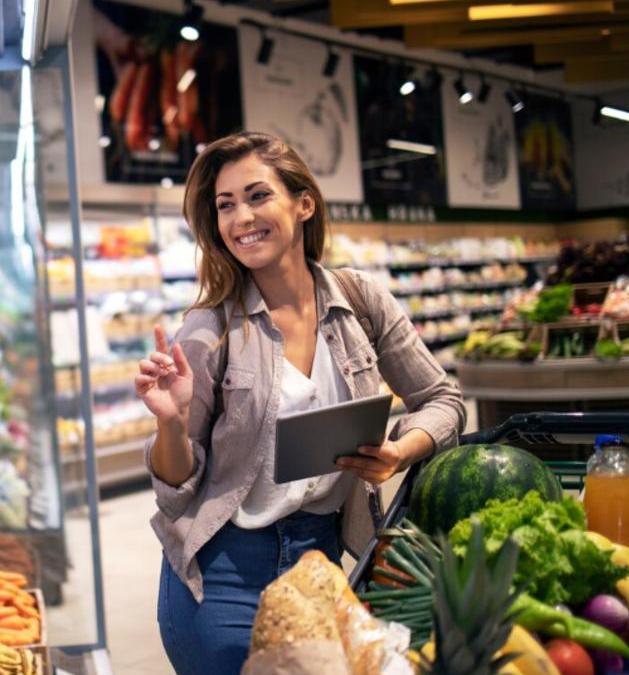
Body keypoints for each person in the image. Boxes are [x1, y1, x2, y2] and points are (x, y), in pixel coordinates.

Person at [134, 131, 465, 674]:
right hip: (224, 571)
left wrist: (401, 451)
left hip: (322, 559)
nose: (241, 218)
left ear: (303, 203)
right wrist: (170, 423)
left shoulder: (359, 300)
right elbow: (176, 489)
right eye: (226, 205)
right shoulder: (210, 327)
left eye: (258, 196)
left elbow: (443, 398)